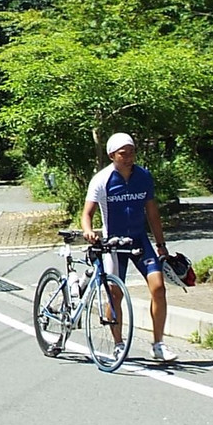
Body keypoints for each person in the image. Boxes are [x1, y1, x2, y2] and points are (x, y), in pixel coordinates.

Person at [81, 132, 177, 362]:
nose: (129, 158)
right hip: (113, 243)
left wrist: (161, 244)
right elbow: (87, 214)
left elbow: (152, 213)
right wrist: (88, 230)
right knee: (114, 294)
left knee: (158, 288)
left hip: (139, 240)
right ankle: (118, 344)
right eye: (123, 154)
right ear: (112, 155)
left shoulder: (143, 176)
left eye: (132, 152)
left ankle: (158, 344)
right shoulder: (102, 180)